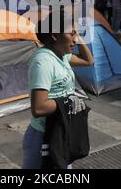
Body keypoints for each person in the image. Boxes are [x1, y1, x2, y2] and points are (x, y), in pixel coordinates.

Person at [23, 9, 94, 169]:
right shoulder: (44, 61)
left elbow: (88, 60)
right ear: (55, 35)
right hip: (43, 135)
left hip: (60, 129)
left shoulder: (62, 56)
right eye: (71, 34)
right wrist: (70, 101)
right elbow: (39, 108)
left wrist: (75, 34)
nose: (75, 40)